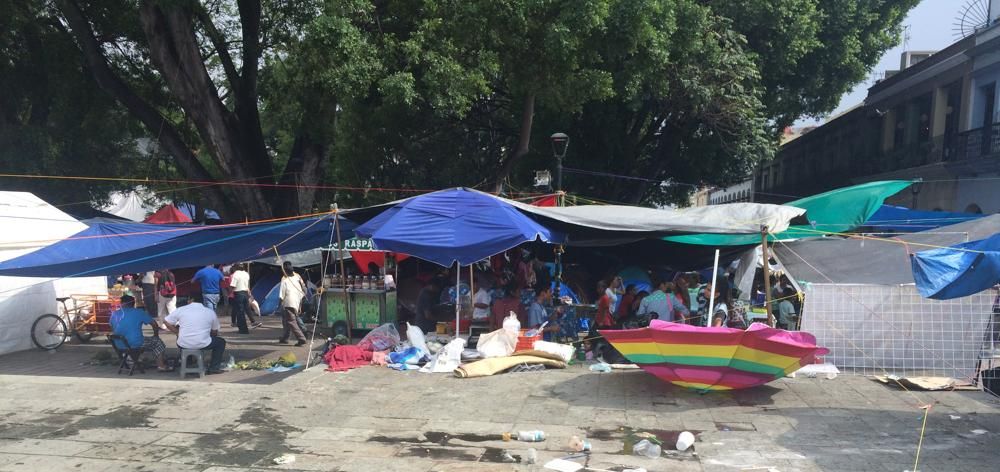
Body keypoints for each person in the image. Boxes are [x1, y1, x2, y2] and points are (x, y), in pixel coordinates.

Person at [164, 292, 226, 374]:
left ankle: (187, 361)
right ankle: (214, 367)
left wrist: (177, 332)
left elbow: (166, 321)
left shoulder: (182, 309)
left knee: (181, 334)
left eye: (188, 299)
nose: (187, 301)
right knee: (221, 342)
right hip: (203, 343)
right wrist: (206, 337)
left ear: (191, 300)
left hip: (183, 343)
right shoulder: (210, 312)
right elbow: (214, 332)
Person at [109, 295, 170, 372]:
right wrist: (155, 335)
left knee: (136, 340)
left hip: (118, 344)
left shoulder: (114, 313)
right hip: (134, 343)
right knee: (157, 342)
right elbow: (154, 324)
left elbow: (112, 327)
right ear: (133, 303)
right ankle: (161, 366)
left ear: (121, 303)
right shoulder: (138, 312)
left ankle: (132, 360)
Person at [278, 261, 308, 346]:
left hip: (289, 302)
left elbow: (281, 295)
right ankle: (285, 338)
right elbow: (303, 287)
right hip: (297, 300)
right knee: (287, 320)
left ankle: (301, 338)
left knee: (291, 321)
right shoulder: (297, 276)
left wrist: (279, 304)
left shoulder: (284, 279)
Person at [229, 263, 260, 334]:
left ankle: (243, 329)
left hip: (238, 293)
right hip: (245, 293)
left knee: (240, 312)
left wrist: (230, 291)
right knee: (246, 309)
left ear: (236, 268)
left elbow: (233, 285)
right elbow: (247, 285)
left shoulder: (235, 274)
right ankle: (249, 325)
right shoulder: (246, 274)